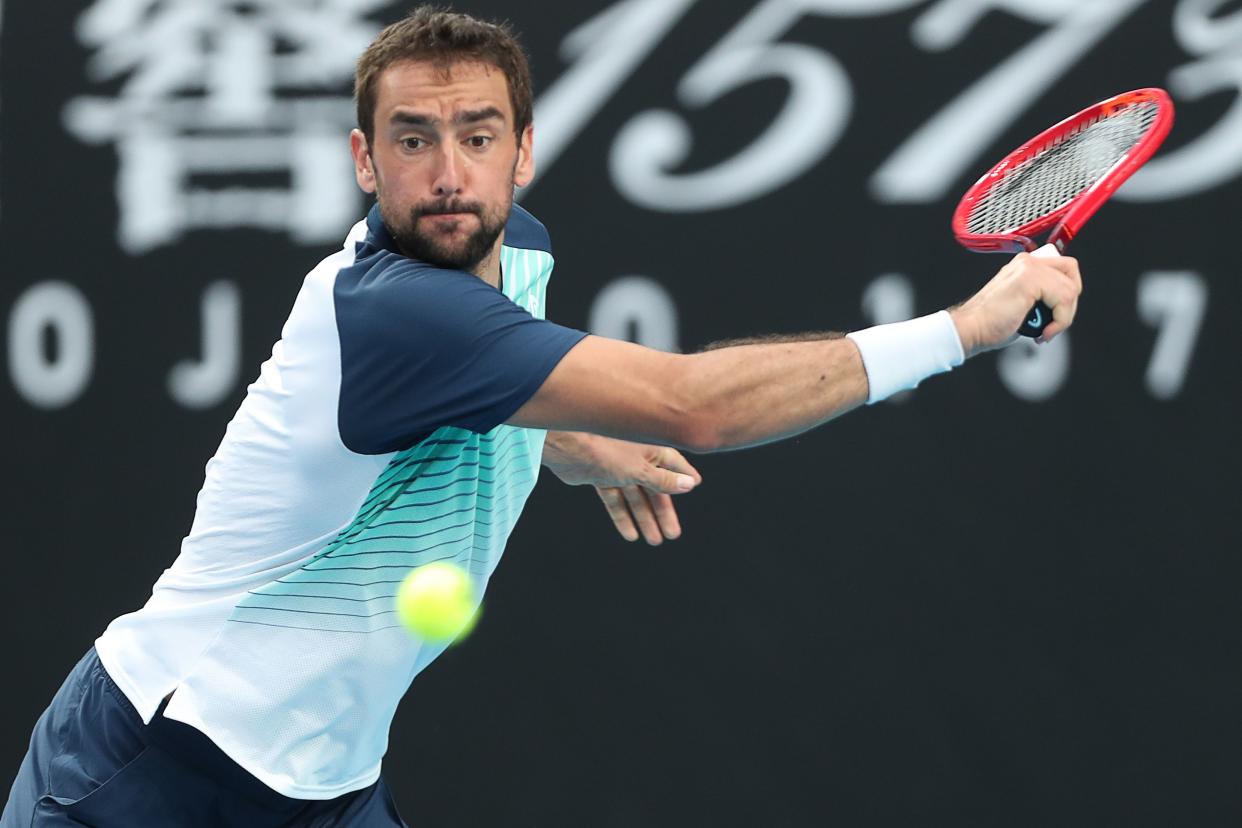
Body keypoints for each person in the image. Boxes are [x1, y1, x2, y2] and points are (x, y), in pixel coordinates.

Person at [2, 6, 1082, 827]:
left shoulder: (519, 251)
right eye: (412, 139)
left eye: (478, 136)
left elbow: (458, 401)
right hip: (152, 769)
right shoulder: (394, 310)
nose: (447, 171)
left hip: (325, 784)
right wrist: (966, 329)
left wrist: (552, 437)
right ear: (363, 161)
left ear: (523, 153)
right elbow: (695, 407)